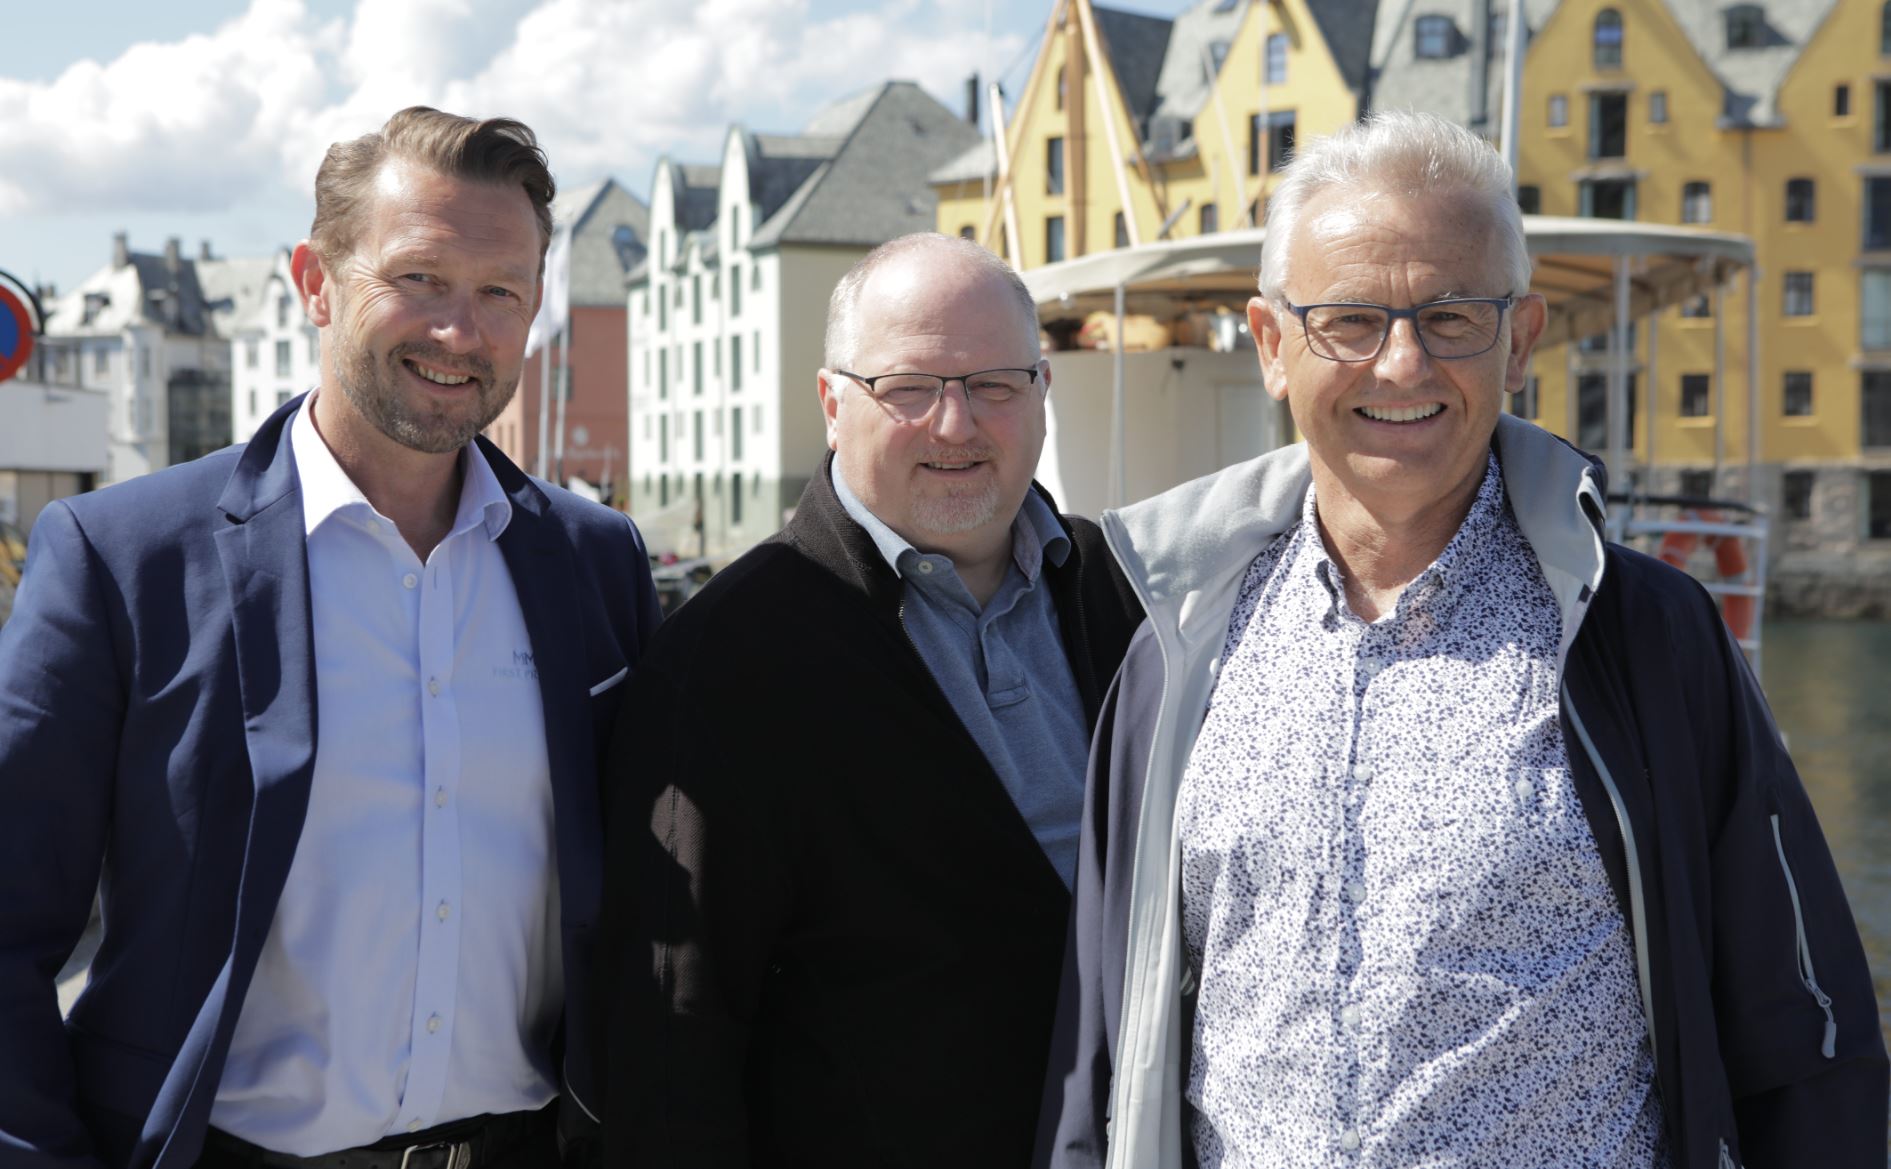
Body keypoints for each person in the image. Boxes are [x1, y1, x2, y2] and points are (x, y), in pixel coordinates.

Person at [1039, 111, 1887, 1169]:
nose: (1401, 365)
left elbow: (1801, 1031)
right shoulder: (1177, 652)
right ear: (1269, 345)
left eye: (1449, 317)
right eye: (1348, 321)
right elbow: (1101, 1045)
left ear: (1519, 340)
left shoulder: (1643, 639)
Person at [0, 107, 661, 1169]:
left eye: (501, 292)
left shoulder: (597, 562)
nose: (461, 332)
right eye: (420, 278)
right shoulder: (124, 560)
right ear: (316, 281)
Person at [596, 232, 1143, 1167]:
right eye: (909, 388)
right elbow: (672, 1037)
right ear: (831, 404)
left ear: (1042, 394)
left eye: (994, 385)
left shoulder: (1121, 596)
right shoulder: (729, 658)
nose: (955, 424)